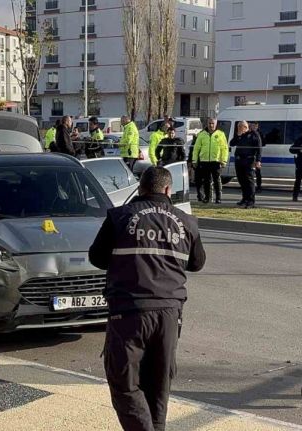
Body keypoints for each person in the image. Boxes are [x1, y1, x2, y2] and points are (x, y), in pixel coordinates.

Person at [89, 166, 206, 431]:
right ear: (168, 190)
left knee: (125, 384)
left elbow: (96, 257)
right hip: (169, 314)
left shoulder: (120, 216)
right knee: (159, 384)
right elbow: (197, 263)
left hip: (129, 311)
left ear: (140, 189)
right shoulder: (186, 222)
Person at [192, 118, 229, 204]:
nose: (211, 125)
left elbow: (224, 148)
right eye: (209, 123)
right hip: (204, 161)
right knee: (206, 181)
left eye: (213, 123)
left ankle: (218, 198)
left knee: (217, 180)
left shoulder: (220, 134)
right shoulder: (201, 134)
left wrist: (223, 160)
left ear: (216, 124)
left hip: (216, 161)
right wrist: (194, 160)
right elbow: (196, 148)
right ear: (207, 124)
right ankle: (207, 198)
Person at [230, 121, 262, 209]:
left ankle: (251, 201)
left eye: (241, 127)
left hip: (249, 160)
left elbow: (259, 148)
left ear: (246, 127)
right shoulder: (239, 135)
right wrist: (238, 135)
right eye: (238, 127)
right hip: (239, 160)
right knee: (241, 180)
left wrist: (258, 160)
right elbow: (232, 143)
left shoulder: (253, 134)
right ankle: (244, 199)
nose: (239, 129)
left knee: (249, 181)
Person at [250, 122, 265, 193]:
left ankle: (259, 186)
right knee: (252, 173)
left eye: (256, 126)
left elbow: (261, 145)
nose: (254, 127)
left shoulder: (259, 134)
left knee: (258, 173)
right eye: (253, 125)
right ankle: (251, 187)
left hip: (256, 156)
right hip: (251, 155)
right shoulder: (249, 133)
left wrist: (258, 159)